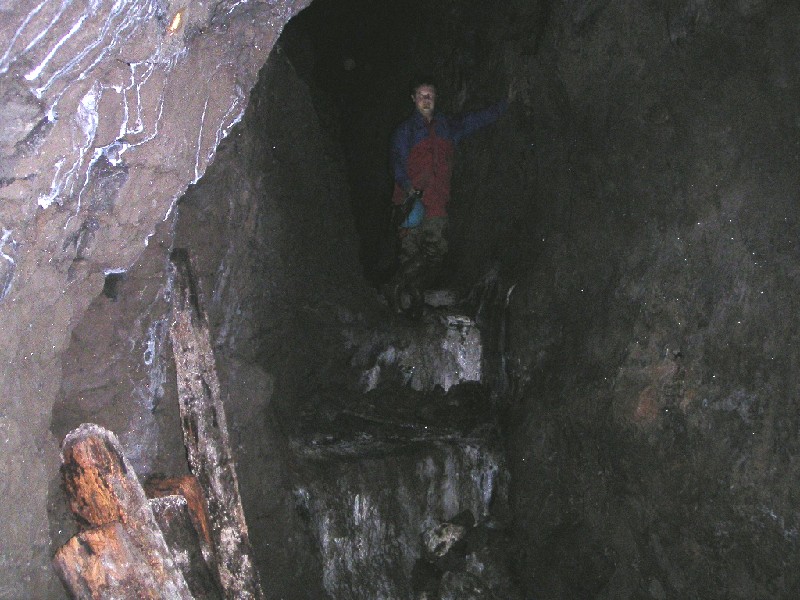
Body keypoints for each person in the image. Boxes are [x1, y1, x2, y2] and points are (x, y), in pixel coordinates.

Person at [385, 77, 509, 315]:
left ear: (436, 98)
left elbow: (475, 120)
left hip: (436, 203)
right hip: (410, 205)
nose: (426, 99)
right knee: (410, 251)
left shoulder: (446, 126)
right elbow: (397, 162)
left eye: (430, 95)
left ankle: (399, 287)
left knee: (435, 252)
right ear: (413, 99)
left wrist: (504, 105)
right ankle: (410, 302)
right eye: (421, 95)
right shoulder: (405, 131)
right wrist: (408, 186)